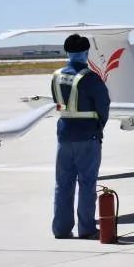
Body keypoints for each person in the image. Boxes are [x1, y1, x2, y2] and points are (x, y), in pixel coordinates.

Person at [50, 34, 110, 239]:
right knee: (87, 183)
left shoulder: (56, 76)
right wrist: (99, 126)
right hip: (87, 136)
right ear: (86, 53)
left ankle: (61, 228)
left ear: (67, 52)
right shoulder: (90, 78)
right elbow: (103, 105)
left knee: (63, 183)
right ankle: (86, 228)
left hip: (64, 135)